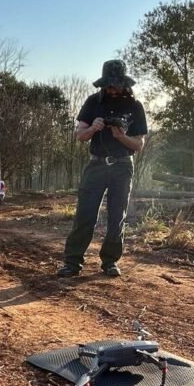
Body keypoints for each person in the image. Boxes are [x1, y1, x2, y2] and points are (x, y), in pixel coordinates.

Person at [57, 60, 148, 277]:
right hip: (96, 164)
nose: (113, 89)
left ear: (124, 83)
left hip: (122, 165)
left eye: (116, 85)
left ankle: (110, 261)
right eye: (109, 85)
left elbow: (139, 144)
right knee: (85, 214)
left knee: (117, 216)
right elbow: (80, 136)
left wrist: (121, 136)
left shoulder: (135, 106)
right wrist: (93, 128)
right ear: (103, 84)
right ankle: (73, 262)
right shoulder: (93, 102)